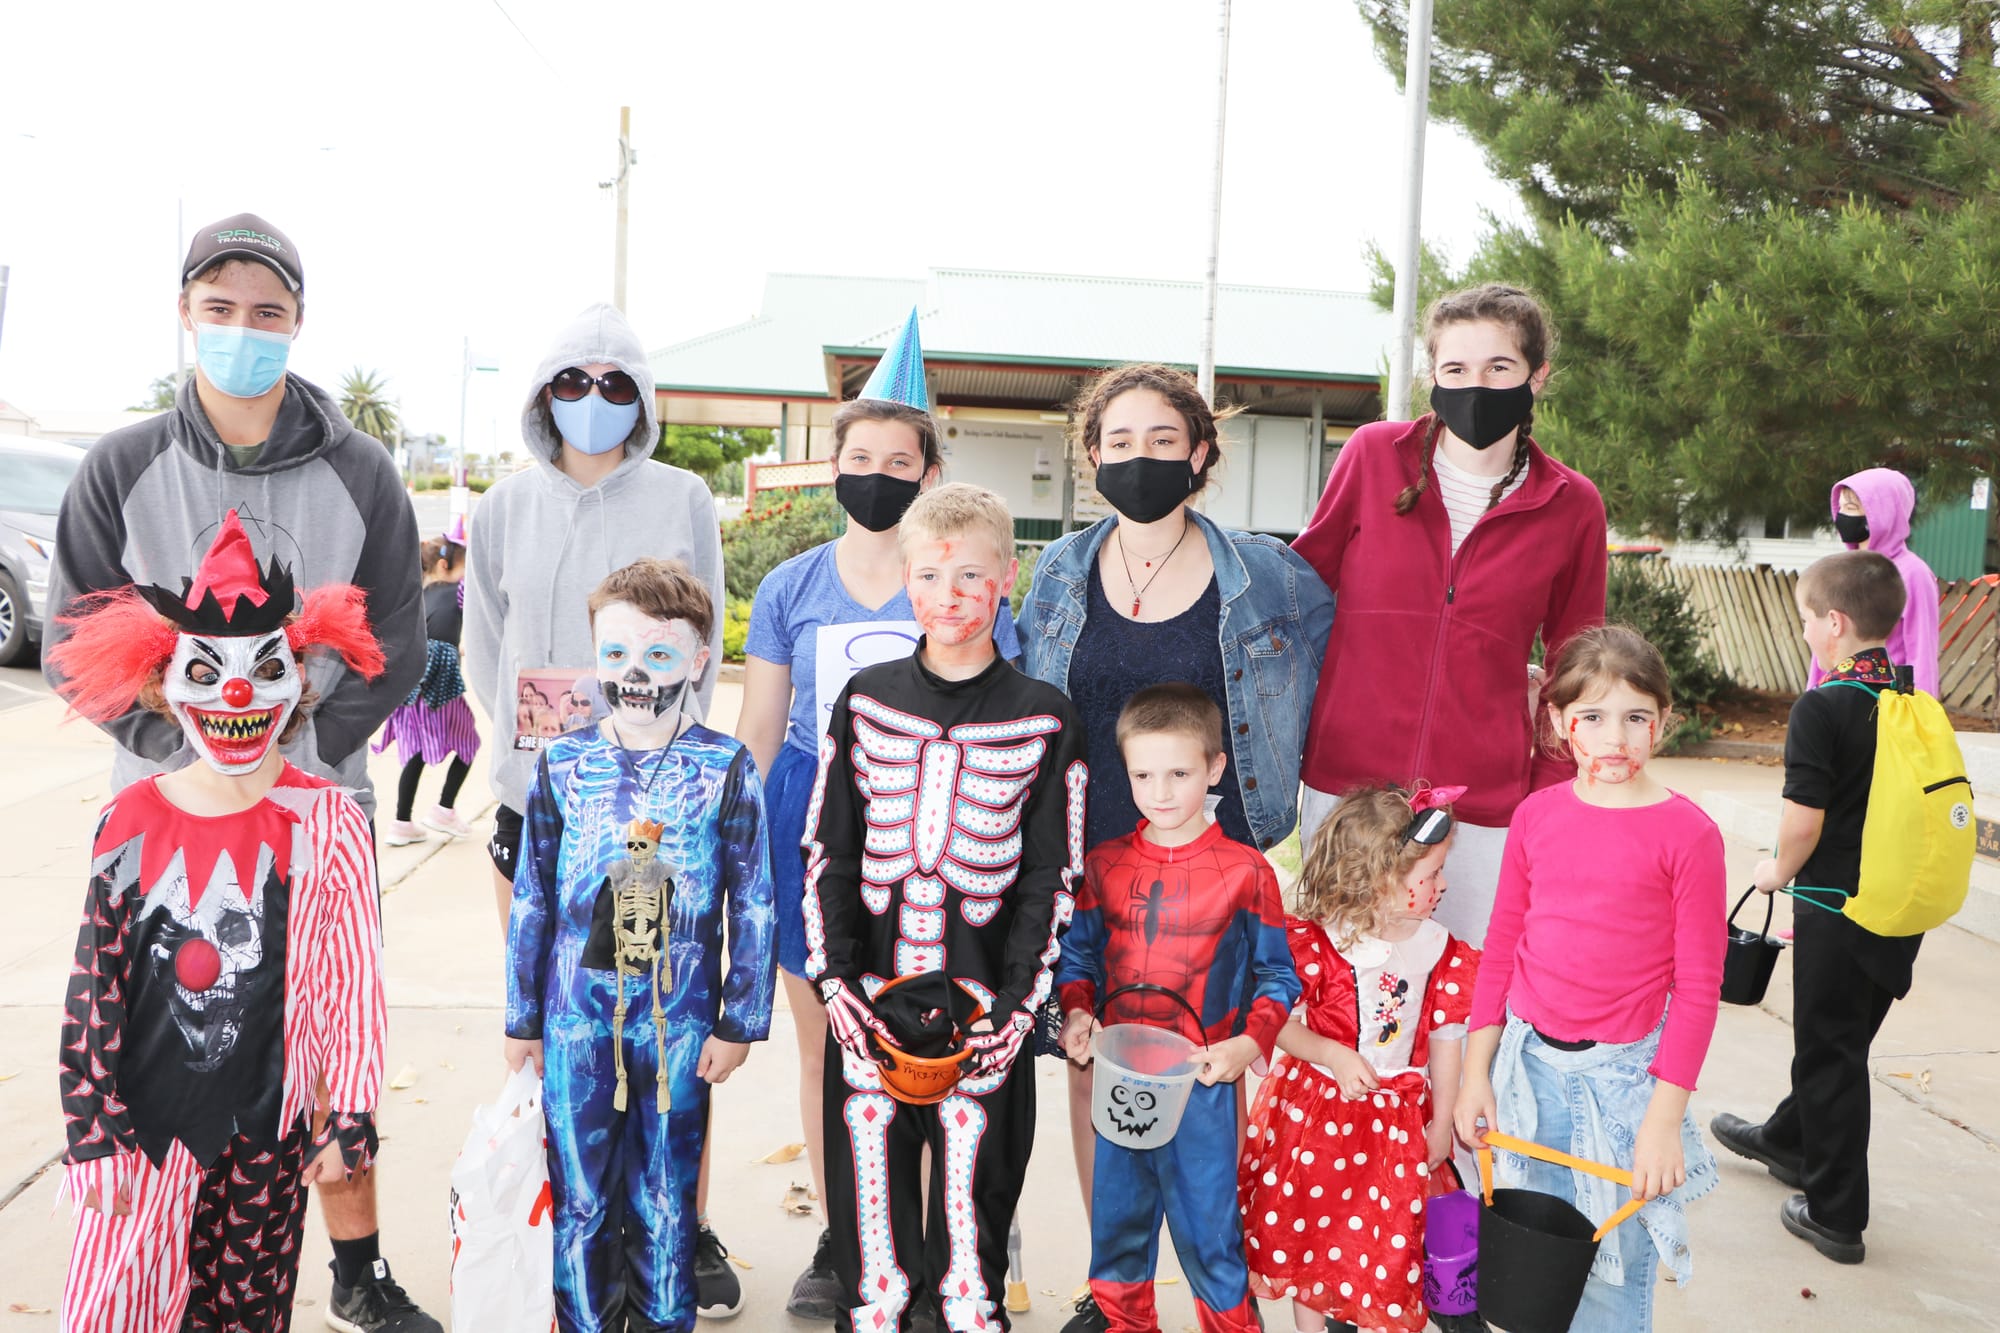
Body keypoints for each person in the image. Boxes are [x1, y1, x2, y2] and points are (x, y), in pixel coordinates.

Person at [42, 213, 436, 1332]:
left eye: (267, 312)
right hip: (164, 819)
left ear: (298, 323)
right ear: (185, 315)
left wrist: (286, 755)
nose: (242, 330)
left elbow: (397, 642)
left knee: (315, 1040)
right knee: (162, 1043)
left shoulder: (363, 473)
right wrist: (196, 760)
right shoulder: (123, 464)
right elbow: (77, 637)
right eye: (219, 309)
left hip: (314, 811)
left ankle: (352, 1268)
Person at [1018, 363, 1332, 1333]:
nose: (1140, 459)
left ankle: (1210, 1279)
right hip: (1091, 859)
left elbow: (1329, 654)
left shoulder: (1263, 571)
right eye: (1118, 442)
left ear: (1199, 453)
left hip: (1207, 863)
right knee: (1096, 1063)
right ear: (1090, 457)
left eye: (1163, 440)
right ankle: (1113, 1291)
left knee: (1202, 1076)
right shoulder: (1061, 568)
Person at [733, 310, 1022, 1319]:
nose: (878, 473)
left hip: (936, 841)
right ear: (834, 463)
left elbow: (1003, 708)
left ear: (928, 469)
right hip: (810, 835)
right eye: (860, 456)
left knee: (940, 1028)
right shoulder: (789, 586)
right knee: (830, 1044)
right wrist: (735, 848)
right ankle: (844, 1228)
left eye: (900, 459)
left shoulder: (958, 578)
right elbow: (760, 729)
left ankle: (953, 1224)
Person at [463, 303, 743, 1315]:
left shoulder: (683, 497)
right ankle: (573, 1220)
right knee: (560, 1025)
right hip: (540, 803)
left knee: (665, 1029)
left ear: (643, 398)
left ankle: (680, 1223)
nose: (592, 401)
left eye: (615, 383)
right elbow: (484, 643)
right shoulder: (501, 506)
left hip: (654, 815)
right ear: (542, 394)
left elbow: (702, 633)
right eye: (571, 383)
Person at [47, 513, 388, 1332]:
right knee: (120, 1308)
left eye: (261, 669)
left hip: (265, 1139)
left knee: (246, 1313)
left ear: (295, 678)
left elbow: (353, 983)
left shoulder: (330, 821)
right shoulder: (128, 818)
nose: (236, 694)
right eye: (211, 671)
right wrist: (89, 1121)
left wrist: (350, 1115)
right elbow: (96, 979)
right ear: (169, 683)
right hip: (141, 1132)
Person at [804, 483, 1086, 1333]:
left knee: (972, 1252)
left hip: (985, 1003)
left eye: (970, 575)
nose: (949, 595)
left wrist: (1017, 1007)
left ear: (1006, 577)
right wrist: (833, 979)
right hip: (870, 997)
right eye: (929, 574)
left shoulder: (1043, 717)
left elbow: (1051, 875)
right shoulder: (865, 697)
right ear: (904, 577)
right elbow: (830, 850)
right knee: (874, 1258)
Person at [505, 557, 776, 1333]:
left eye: (658, 655)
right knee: (582, 1196)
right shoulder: (563, 762)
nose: (634, 673)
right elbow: (533, 895)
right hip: (575, 1022)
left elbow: (754, 901)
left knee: (665, 1195)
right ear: (595, 655)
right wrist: (522, 1016)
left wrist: (738, 1020)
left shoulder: (725, 768)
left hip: (680, 1024)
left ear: (696, 661)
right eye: (616, 653)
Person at [1292, 284, 1607, 951]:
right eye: (1456, 369)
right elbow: (1301, 595)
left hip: (1483, 809)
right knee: (1329, 990)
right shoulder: (1373, 455)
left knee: (1454, 1009)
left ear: (1536, 377)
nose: (1477, 384)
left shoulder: (1573, 504)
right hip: (1346, 791)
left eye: (1499, 367)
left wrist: (1547, 797)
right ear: (1433, 376)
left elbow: (1575, 670)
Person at [1455, 626, 1725, 1332]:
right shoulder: (1535, 817)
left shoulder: (1689, 835)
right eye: (1594, 717)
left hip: (1624, 1089)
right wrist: (1477, 1072)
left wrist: (1662, 1124)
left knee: (1608, 1276)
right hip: (1528, 1073)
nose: (1615, 738)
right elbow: (1502, 948)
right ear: (1558, 722)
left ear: (1663, 722)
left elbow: (1697, 991)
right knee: (1530, 1272)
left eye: (1636, 717)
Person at [1055, 684, 1297, 1333]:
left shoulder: (1247, 872)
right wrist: (1076, 1012)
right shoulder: (1102, 866)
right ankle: (1124, 1322)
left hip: (1205, 1083)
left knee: (1210, 1229)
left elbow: (1279, 975)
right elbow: (1076, 960)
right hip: (1121, 1080)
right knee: (1118, 1223)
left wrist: (1249, 1044)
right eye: (1143, 774)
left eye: (1180, 772)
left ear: (1216, 767)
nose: (1160, 792)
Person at [1710, 551, 1927, 1265]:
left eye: (1807, 618)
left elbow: (1802, 823)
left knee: (1830, 1052)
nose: (1804, 630)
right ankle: (1787, 1138)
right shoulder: (1911, 700)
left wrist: (1774, 871)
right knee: (1842, 1042)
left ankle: (1836, 1214)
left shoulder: (1825, 705)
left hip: (1840, 906)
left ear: (1834, 623)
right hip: (1902, 906)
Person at [1238, 783, 1479, 1333]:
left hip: (1395, 1127)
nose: (1443, 886)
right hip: (1316, 1122)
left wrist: (1442, 1122)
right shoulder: (1319, 944)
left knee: (1382, 1239)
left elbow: (1445, 1040)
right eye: (1430, 876)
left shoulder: (1440, 950)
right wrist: (1331, 1054)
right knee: (1312, 1239)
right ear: (1376, 882)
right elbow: (1277, 1025)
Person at [376, 519, 480, 845]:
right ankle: (444, 809)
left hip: (413, 678)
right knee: (468, 741)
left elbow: (430, 628)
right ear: (446, 564)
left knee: (417, 752)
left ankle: (402, 822)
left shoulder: (421, 593)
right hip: (440, 681)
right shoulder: (461, 590)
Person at [1810, 468, 1940, 695]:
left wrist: (1911, 711)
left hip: (1884, 705)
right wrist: (1813, 694)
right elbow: (1824, 644)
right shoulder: (1840, 571)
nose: (1841, 516)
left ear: (1882, 514)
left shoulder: (1912, 574)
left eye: (1851, 508)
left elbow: (1919, 651)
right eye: (1840, 508)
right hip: (1837, 701)